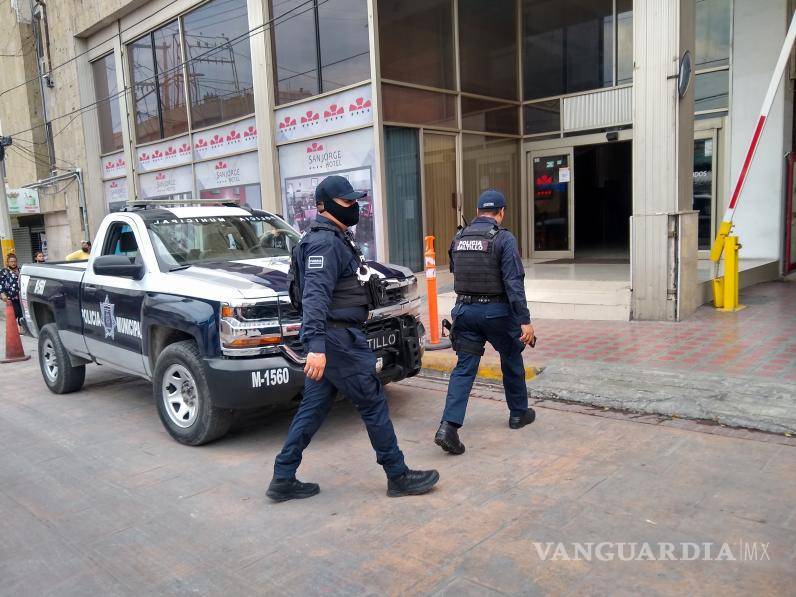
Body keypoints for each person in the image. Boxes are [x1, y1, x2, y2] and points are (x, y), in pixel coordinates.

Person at [267, 175, 439, 502]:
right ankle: (397, 475)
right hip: (337, 340)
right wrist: (316, 347)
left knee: (313, 408)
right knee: (373, 402)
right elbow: (316, 297)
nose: (354, 207)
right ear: (324, 206)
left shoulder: (334, 238)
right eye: (347, 202)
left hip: (336, 337)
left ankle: (282, 477)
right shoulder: (325, 243)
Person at [434, 190, 537, 455]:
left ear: (478, 211)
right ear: (501, 212)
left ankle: (448, 427)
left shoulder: (459, 237)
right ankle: (518, 413)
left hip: (465, 312)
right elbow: (514, 283)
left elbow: (456, 270)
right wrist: (524, 321)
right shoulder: (504, 238)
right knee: (512, 356)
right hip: (497, 313)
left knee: (464, 369)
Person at [0, 253, 23, 326]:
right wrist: (2, 293)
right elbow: (0, 283)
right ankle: (12, 330)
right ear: (8, 262)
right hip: (10, 297)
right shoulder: (4, 271)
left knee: (22, 314)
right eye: (11, 261)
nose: (13, 263)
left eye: (14, 261)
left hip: (21, 297)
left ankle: (21, 329)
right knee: (15, 313)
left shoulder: (20, 270)